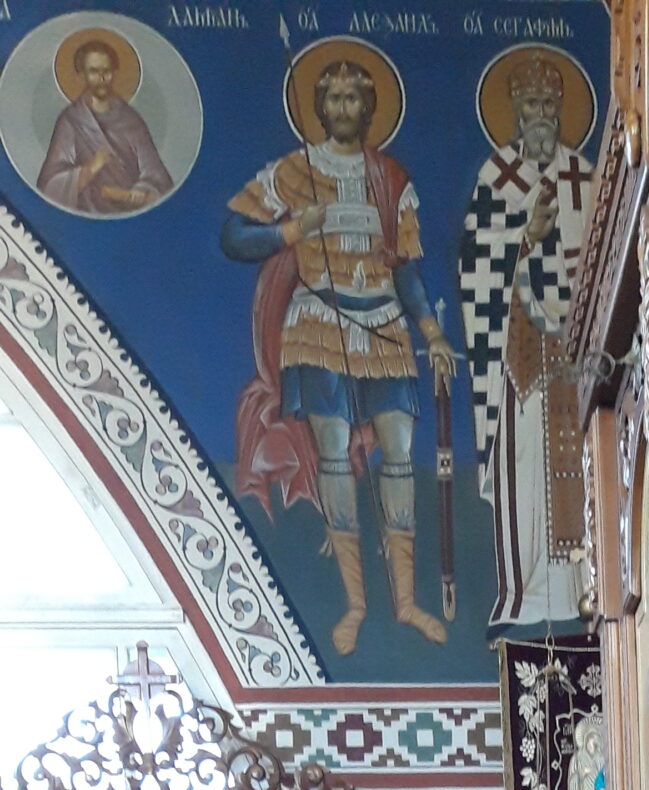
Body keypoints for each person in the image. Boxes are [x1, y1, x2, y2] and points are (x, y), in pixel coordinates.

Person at [222, 55, 456, 653]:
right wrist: (292, 230)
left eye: (354, 99)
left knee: (398, 453)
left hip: (383, 323)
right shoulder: (294, 172)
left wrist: (431, 334)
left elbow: (406, 270)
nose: (344, 108)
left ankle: (406, 602)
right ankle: (355, 605)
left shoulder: (391, 179)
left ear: (369, 109)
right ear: (320, 109)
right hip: (318, 323)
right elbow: (234, 236)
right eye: (334, 99)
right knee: (332, 454)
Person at [460, 50, 594, 626]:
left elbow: (605, 259)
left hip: (575, 355)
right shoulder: (498, 178)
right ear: (515, 112)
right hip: (519, 356)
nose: (540, 115)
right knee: (525, 470)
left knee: (583, 468)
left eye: (548, 103)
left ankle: (588, 592)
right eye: (530, 104)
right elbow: (475, 264)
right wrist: (525, 235)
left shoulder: (585, 177)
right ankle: (526, 593)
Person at [37, 38, 173, 216]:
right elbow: (49, 185)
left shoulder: (131, 120)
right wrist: (91, 169)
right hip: (83, 218)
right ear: (82, 75)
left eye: (106, 71)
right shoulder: (70, 121)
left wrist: (138, 193)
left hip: (130, 216)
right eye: (94, 72)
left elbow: (157, 176)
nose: (101, 78)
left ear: (114, 73)